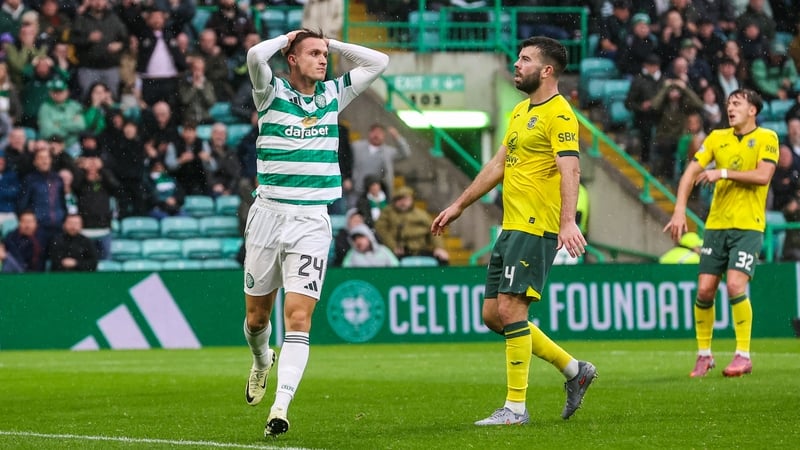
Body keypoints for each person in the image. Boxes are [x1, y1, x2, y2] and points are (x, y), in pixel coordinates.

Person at [430, 36, 596, 425]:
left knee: (511, 308)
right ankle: (575, 371)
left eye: (525, 59)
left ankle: (515, 409)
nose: (517, 65)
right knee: (494, 316)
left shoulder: (560, 113)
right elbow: (497, 165)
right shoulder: (521, 111)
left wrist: (567, 220)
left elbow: (570, 168)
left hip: (536, 225)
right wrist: (458, 205)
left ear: (547, 70)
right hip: (511, 226)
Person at [242, 28, 388, 437]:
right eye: (314, 54)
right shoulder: (269, 93)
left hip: (311, 221)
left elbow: (380, 62)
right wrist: (289, 35)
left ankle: (281, 405)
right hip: (268, 215)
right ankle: (260, 362)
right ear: (291, 58)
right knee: (257, 319)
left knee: (299, 318)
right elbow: (255, 55)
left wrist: (334, 43)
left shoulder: (333, 95)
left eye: (325, 55)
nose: (324, 60)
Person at [664, 88, 778, 378]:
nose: (731, 108)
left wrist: (722, 173)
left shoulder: (767, 138)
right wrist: (679, 210)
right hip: (716, 226)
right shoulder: (717, 138)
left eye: (737, 103)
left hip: (748, 226)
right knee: (704, 290)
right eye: (729, 103)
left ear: (753, 110)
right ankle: (704, 355)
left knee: (735, 286)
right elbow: (690, 173)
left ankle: (743, 355)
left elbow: (763, 176)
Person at [375, 186, 449, 265]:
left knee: (443, 260)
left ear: (411, 200)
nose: (403, 202)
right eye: (400, 200)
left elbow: (434, 231)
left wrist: (439, 248)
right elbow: (381, 230)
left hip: (421, 250)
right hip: (400, 251)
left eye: (406, 199)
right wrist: (393, 246)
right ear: (395, 201)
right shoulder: (387, 213)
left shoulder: (422, 215)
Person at [348, 123, 411, 208]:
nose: (376, 135)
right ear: (369, 133)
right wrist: (347, 178)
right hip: (357, 191)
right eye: (374, 132)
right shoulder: (357, 147)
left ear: (384, 136)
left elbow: (406, 153)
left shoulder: (388, 152)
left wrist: (397, 137)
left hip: (378, 194)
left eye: (380, 133)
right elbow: (345, 160)